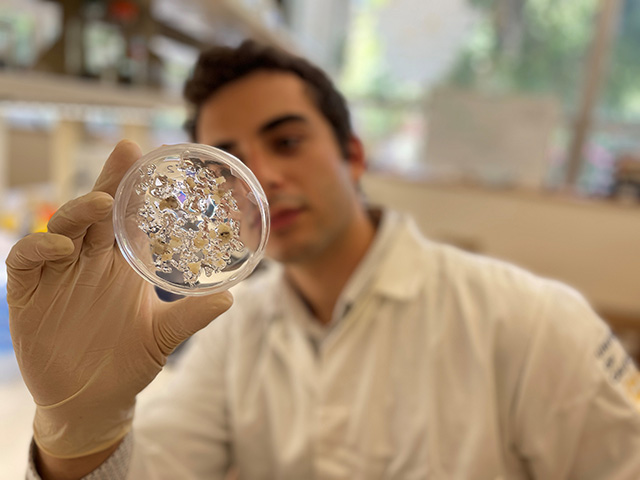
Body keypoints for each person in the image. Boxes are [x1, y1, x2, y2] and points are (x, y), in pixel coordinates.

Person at [7, 40, 640, 480]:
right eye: (231, 161)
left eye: (287, 140)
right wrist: (79, 434)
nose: (265, 176)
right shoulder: (235, 333)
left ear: (354, 155)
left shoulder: (529, 320)